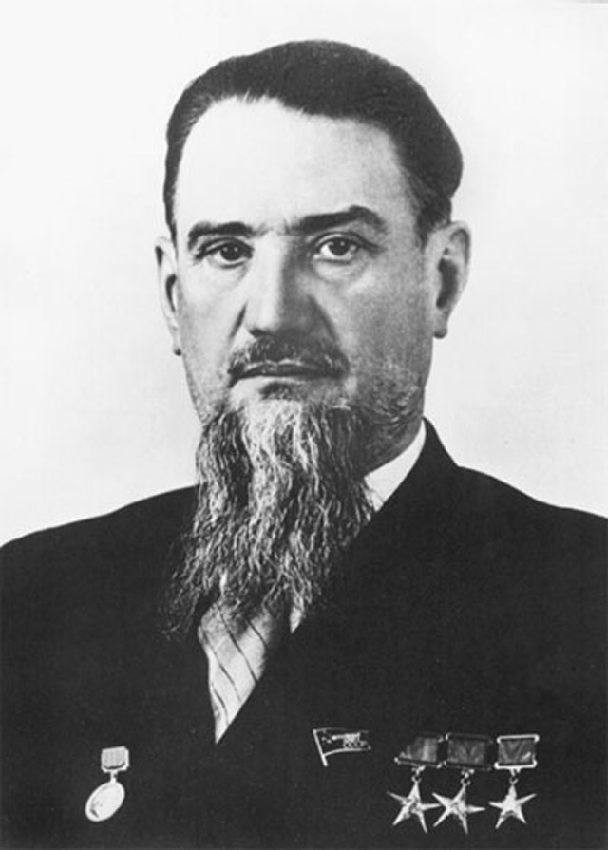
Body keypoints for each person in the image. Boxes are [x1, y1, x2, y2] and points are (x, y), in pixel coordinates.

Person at [1, 40, 605, 849]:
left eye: (336, 246)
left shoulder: (584, 602)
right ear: (173, 295)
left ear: (442, 279)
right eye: (227, 251)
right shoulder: (33, 605)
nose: (272, 314)